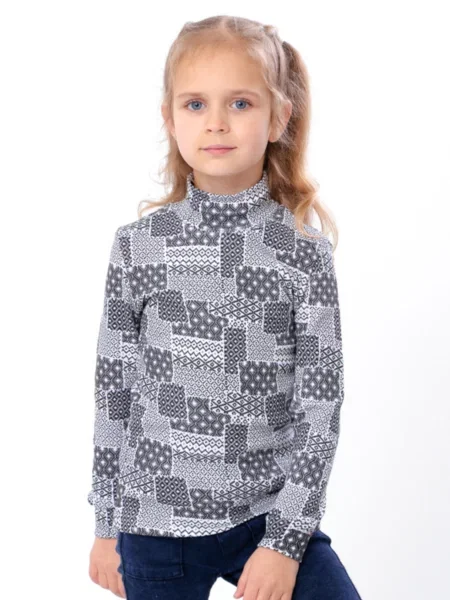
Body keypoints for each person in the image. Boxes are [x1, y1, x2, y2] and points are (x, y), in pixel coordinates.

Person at [87, 14, 362, 600]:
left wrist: (284, 543)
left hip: (265, 516)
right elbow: (114, 391)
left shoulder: (303, 254)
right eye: (195, 104)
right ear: (170, 119)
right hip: (154, 522)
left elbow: (320, 407)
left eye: (240, 103)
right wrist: (107, 526)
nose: (216, 122)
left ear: (278, 117)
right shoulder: (138, 247)